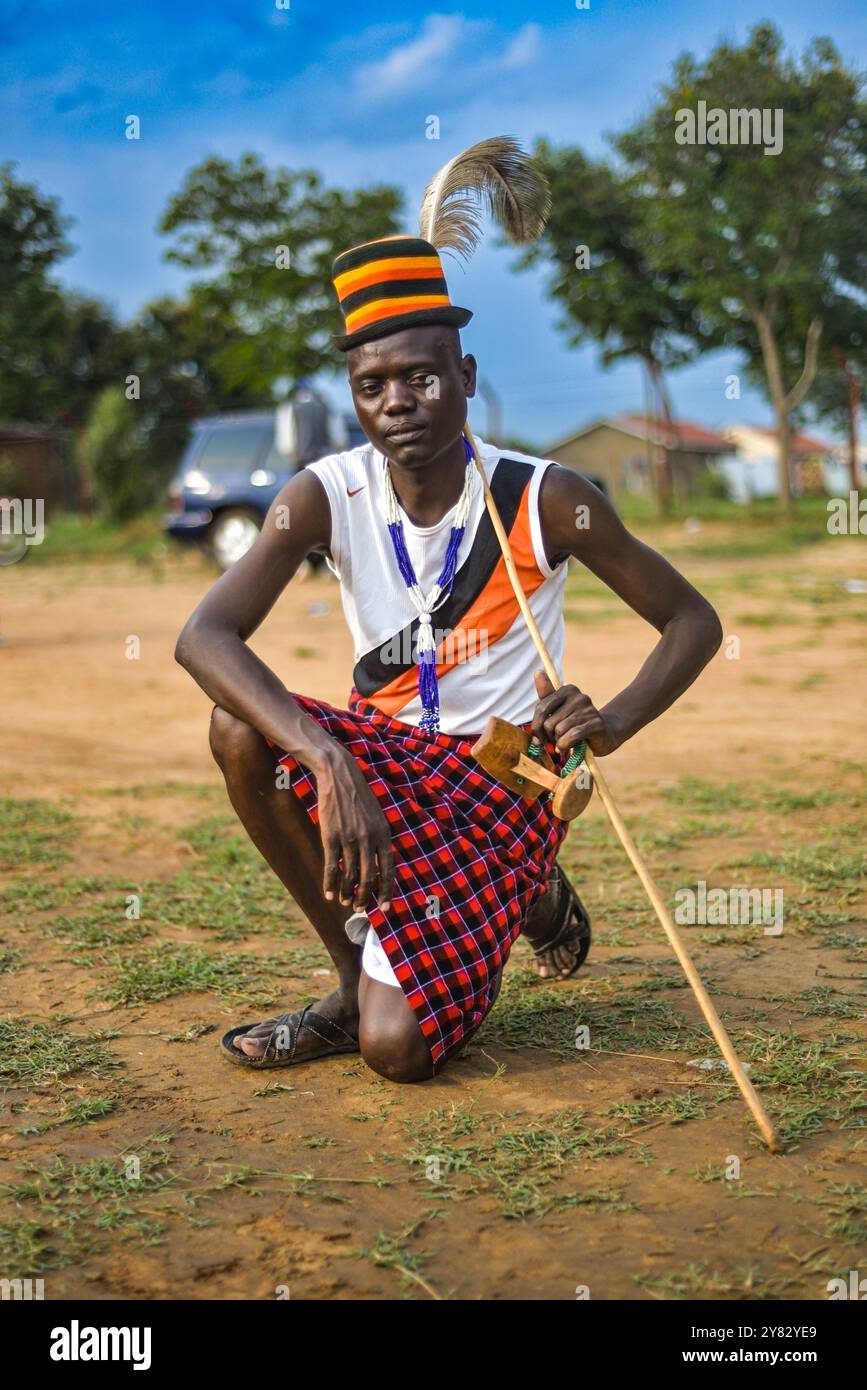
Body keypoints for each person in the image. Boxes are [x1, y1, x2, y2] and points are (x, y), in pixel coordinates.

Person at [175, 235, 722, 1082]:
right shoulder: (325, 493)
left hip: (503, 783)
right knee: (239, 730)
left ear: (464, 378)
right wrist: (328, 760)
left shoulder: (547, 499)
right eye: (371, 386)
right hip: (381, 763)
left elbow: (691, 619)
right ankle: (352, 982)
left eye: (421, 378)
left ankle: (526, 885)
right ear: (354, 397)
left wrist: (610, 722)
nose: (397, 403)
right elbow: (204, 636)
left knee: (400, 1056)